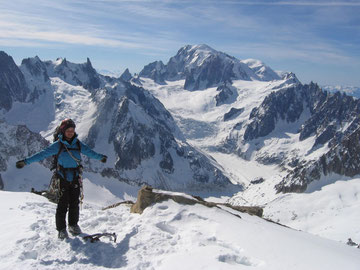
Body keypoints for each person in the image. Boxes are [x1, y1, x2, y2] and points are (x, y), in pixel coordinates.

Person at [16, 119, 107, 240]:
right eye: (68, 130)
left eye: (72, 130)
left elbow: (89, 152)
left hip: (75, 177)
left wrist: (100, 158)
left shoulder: (78, 144)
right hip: (62, 178)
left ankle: (73, 225)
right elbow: (42, 154)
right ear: (63, 131)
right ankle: (61, 229)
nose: (70, 133)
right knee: (63, 204)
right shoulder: (58, 145)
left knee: (74, 202)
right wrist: (25, 162)